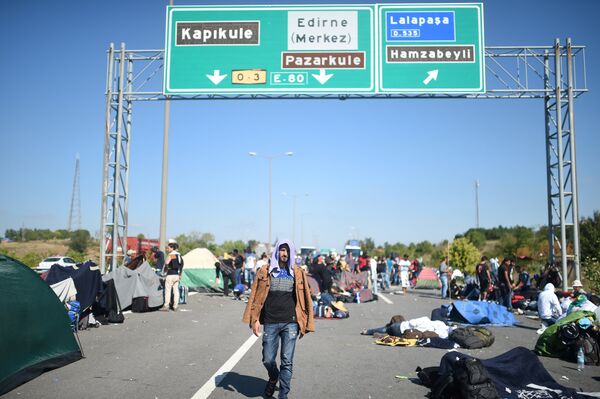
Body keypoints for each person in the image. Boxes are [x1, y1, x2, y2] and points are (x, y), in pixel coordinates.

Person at [242, 239, 314, 399]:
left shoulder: (298, 273)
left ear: (292, 253)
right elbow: (255, 297)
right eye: (282, 250)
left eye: (287, 250)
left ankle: (283, 395)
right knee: (268, 359)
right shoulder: (264, 271)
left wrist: (306, 322)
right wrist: (255, 319)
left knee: (287, 361)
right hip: (270, 322)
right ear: (277, 252)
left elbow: (306, 299)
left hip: (291, 323)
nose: (284, 253)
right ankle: (273, 376)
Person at [160, 239, 183, 311]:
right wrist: (180, 275)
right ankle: (175, 306)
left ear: (172, 248)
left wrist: (164, 273)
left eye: (169, 248)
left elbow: (167, 263)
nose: (167, 249)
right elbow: (181, 265)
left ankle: (166, 306)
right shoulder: (179, 256)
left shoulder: (172, 255)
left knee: (168, 290)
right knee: (176, 291)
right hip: (177, 275)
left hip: (170, 275)